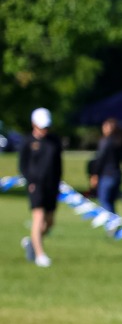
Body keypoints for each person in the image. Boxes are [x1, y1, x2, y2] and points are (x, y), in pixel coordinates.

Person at [19, 108, 61, 267]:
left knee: (49, 222)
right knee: (39, 218)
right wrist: (30, 181)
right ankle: (40, 255)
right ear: (34, 124)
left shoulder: (54, 141)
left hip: (52, 186)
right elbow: (23, 165)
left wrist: (58, 183)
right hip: (35, 186)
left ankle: (32, 242)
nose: (45, 130)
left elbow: (57, 165)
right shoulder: (27, 142)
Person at [88, 119, 122, 212]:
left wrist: (94, 174)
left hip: (106, 176)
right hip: (117, 176)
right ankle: (114, 222)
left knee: (105, 202)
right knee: (110, 202)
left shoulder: (105, 142)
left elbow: (100, 160)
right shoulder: (119, 142)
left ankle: (113, 224)